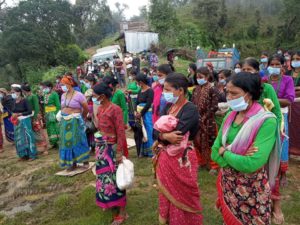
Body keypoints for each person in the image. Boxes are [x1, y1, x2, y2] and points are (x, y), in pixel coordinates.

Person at [211, 72, 281, 225]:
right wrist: (234, 156)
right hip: (228, 183)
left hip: (251, 190)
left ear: (249, 94)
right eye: (227, 92)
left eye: (234, 93)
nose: (228, 97)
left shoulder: (266, 121)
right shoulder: (231, 115)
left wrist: (226, 152)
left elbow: (252, 164)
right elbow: (214, 151)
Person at [153, 73, 202, 225]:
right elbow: (156, 130)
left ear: (180, 90)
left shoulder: (190, 109)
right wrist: (164, 136)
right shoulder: (169, 107)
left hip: (183, 158)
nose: (164, 93)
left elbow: (178, 134)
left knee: (184, 193)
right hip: (167, 157)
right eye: (164, 89)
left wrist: (162, 135)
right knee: (167, 192)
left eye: (167, 89)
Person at [92, 83, 128, 225]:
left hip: (112, 149)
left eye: (94, 96)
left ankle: (122, 213)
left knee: (117, 180)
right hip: (101, 149)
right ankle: (109, 201)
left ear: (102, 96)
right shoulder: (100, 109)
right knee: (104, 178)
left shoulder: (115, 109)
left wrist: (119, 152)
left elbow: (120, 132)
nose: (93, 98)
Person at [192, 67, 219, 174]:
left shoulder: (213, 89)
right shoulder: (196, 89)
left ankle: (213, 165)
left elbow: (214, 106)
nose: (198, 79)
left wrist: (204, 117)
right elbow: (193, 103)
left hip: (209, 121)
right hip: (197, 120)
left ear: (207, 77)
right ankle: (201, 162)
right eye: (197, 77)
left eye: (201, 77)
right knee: (197, 142)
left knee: (211, 143)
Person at [59, 76, 90, 170]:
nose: (62, 86)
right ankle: (72, 162)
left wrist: (83, 117)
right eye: (61, 85)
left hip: (75, 120)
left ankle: (84, 160)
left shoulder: (78, 94)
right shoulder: (63, 95)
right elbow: (62, 108)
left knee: (79, 139)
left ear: (69, 84)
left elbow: (86, 108)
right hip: (65, 121)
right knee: (67, 142)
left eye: (63, 84)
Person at [241, 57, 282, 126]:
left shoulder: (267, 88)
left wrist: (277, 129)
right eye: (243, 70)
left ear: (257, 71)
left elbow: (277, 111)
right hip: (243, 125)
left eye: (249, 69)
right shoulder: (238, 88)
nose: (246, 72)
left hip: (264, 125)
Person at [103, 76, 129, 158]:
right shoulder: (108, 94)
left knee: (120, 138)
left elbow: (124, 109)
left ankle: (123, 156)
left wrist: (124, 122)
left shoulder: (119, 93)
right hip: (110, 120)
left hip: (119, 119)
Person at [11, 86, 37, 161]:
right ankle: (23, 154)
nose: (12, 94)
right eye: (12, 93)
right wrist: (13, 115)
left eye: (13, 92)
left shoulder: (25, 100)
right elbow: (13, 110)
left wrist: (19, 114)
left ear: (19, 92)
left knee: (28, 137)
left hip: (25, 120)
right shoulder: (14, 101)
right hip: (17, 122)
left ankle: (32, 155)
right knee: (19, 138)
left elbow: (29, 111)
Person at [22, 84, 48, 154]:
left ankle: (45, 148)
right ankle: (38, 148)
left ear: (24, 90)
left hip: (35, 115)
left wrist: (35, 117)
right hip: (29, 116)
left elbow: (36, 107)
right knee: (33, 132)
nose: (22, 92)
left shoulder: (33, 96)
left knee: (39, 131)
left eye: (23, 90)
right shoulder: (26, 97)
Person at [136, 74, 154, 157]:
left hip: (147, 114)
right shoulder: (140, 90)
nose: (137, 84)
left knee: (148, 130)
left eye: (137, 82)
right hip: (140, 114)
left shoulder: (150, 91)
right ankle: (144, 151)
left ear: (141, 82)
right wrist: (136, 112)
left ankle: (150, 151)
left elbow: (148, 104)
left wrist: (141, 113)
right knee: (142, 131)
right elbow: (137, 101)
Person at [42, 81, 61, 149]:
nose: (44, 89)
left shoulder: (54, 94)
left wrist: (56, 114)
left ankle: (58, 142)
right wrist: (45, 113)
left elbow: (58, 105)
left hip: (53, 112)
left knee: (55, 127)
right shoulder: (45, 94)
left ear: (50, 87)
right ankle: (53, 143)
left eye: (45, 87)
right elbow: (45, 104)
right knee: (49, 128)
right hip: (47, 113)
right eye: (43, 87)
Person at [289, 51, 300, 156]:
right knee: (290, 126)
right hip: (289, 104)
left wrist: (293, 88)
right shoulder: (288, 73)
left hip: (298, 104)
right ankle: (291, 149)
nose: (296, 61)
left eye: (298, 59)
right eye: (294, 59)